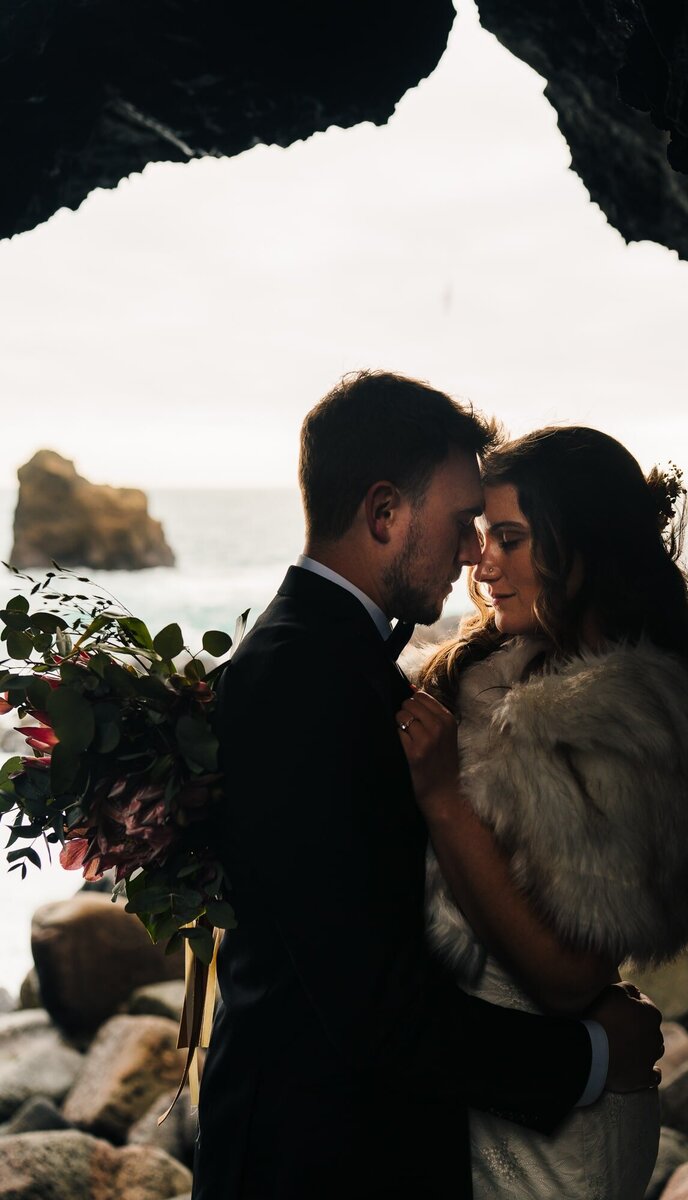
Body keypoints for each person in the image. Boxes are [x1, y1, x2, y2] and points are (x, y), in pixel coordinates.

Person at [192, 378, 663, 1200]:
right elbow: (367, 1005)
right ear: (384, 514)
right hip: (308, 1161)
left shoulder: (338, 657)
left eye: (493, 532)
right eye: (459, 524)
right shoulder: (302, 679)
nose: (471, 555)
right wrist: (590, 1056)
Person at [397, 425, 688, 1199]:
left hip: (561, 1128)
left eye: (510, 539)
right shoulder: (491, 668)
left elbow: (568, 975)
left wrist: (446, 800)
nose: (482, 563)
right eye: (484, 536)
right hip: (490, 1083)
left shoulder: (637, 716)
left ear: (581, 546)